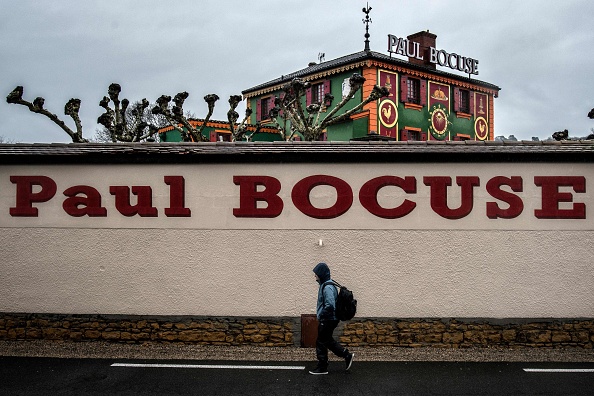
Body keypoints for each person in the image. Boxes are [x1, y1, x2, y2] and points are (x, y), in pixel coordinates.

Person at [309, 262, 354, 375]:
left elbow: (330, 305)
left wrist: (322, 315)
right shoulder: (327, 284)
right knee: (327, 340)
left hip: (328, 319)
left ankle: (322, 367)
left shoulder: (327, 287)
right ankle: (346, 355)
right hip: (330, 319)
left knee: (321, 341)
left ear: (321, 274)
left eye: (316, 274)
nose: (315, 277)